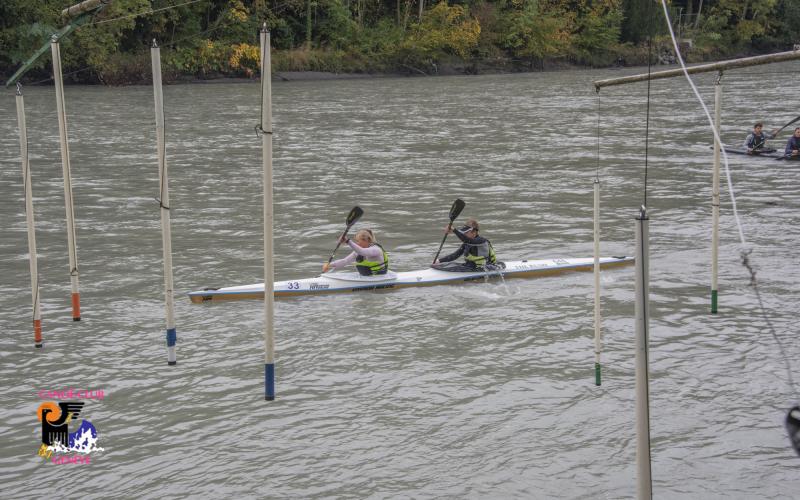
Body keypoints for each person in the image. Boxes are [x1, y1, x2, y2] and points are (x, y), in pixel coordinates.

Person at [433, 219, 498, 271]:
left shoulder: (481, 241)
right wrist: (439, 261)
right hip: (472, 267)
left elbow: (469, 240)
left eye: (467, 232)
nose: (464, 234)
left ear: (474, 232)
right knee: (449, 264)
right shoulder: (467, 243)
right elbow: (455, 255)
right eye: (464, 232)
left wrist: (453, 230)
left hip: (487, 267)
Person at [322, 228, 389, 276]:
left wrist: (348, 241)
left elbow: (362, 252)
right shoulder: (358, 252)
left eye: (358, 241)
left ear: (367, 240)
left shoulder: (376, 250)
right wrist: (329, 265)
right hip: (368, 278)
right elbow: (345, 261)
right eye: (356, 241)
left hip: (380, 278)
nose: (357, 243)